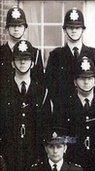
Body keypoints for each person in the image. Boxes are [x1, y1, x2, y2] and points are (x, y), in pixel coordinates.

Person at [0, 40, 50, 170]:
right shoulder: (3, 90)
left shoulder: (42, 93)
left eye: (27, 59)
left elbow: (46, 127)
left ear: (32, 63)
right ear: (12, 63)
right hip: (8, 155)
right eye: (19, 59)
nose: (22, 62)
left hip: (34, 155)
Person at [45, 7, 95, 120]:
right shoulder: (55, 55)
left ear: (83, 29)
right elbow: (50, 86)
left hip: (88, 114)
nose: (74, 31)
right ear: (65, 30)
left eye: (77, 27)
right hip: (63, 114)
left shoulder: (94, 55)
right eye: (70, 27)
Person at [60, 56, 95, 170]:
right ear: (75, 81)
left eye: (90, 78)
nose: (86, 82)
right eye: (82, 78)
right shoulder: (64, 106)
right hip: (73, 162)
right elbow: (62, 136)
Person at [0, 6, 44, 88]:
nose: (16, 29)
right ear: (7, 28)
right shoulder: (1, 52)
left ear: (25, 28)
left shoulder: (35, 53)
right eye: (13, 25)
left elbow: (40, 84)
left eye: (20, 26)